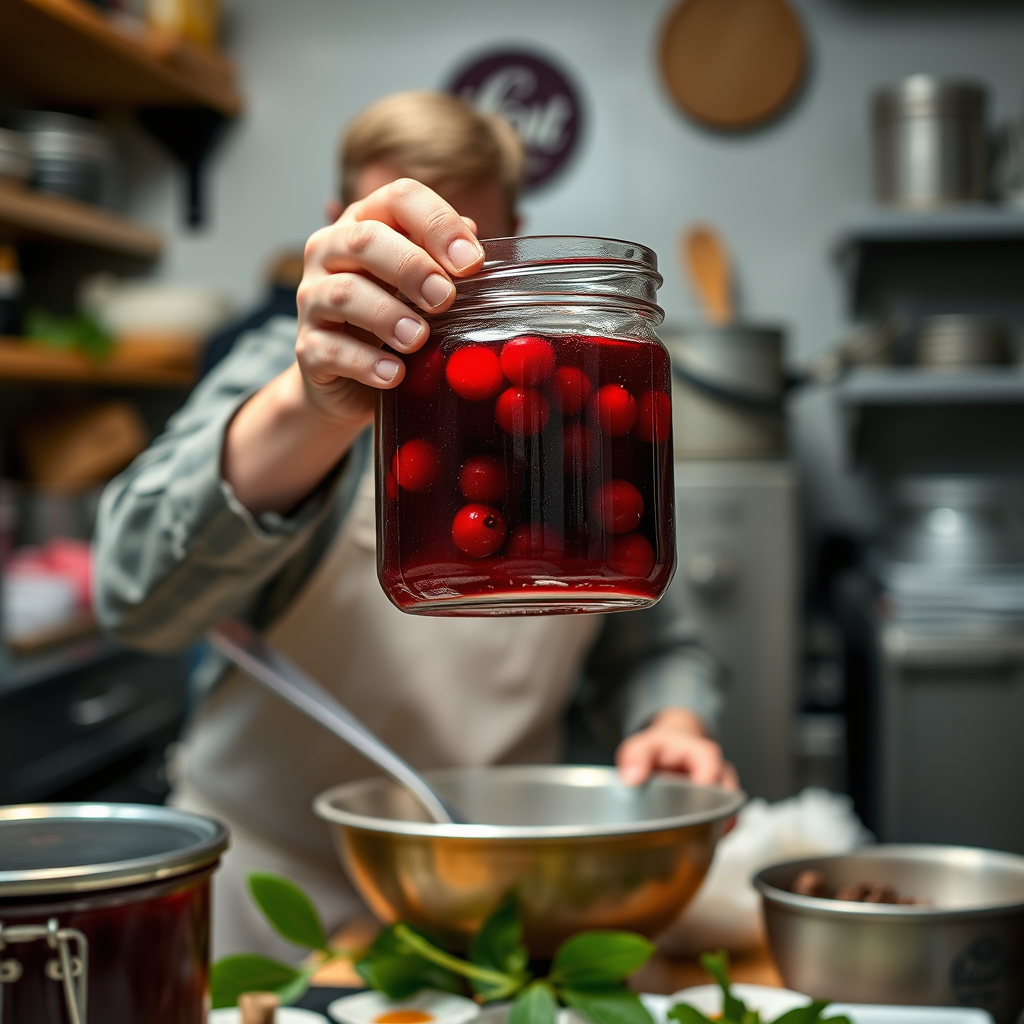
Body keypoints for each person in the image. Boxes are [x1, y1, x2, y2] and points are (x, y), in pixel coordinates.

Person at [93, 92, 737, 961]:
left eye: (462, 239)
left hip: (481, 891)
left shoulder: (575, 391)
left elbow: (658, 644)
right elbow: (133, 600)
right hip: (265, 892)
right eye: (397, 235)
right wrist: (309, 407)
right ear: (339, 227)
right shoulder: (278, 366)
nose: (429, 268)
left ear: (511, 230)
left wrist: (674, 723)